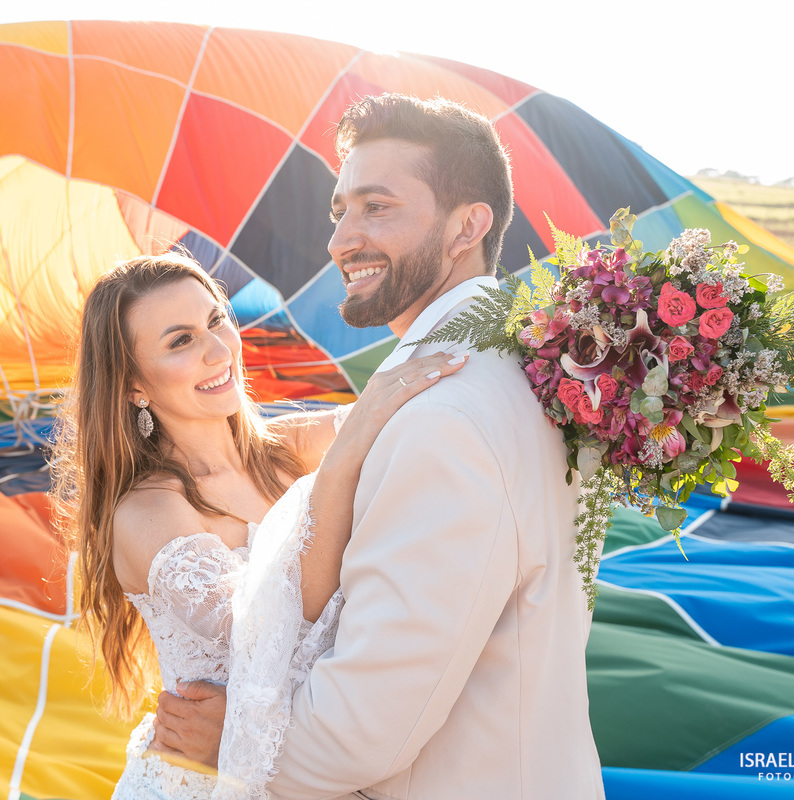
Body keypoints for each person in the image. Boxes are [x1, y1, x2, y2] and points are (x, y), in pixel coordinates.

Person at [151, 94, 606, 798]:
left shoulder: (442, 417)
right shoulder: (543, 370)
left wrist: (232, 741)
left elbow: (364, 729)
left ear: (467, 227)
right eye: (340, 211)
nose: (341, 240)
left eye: (377, 207)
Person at [50, 252, 467, 798]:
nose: (219, 350)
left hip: (316, 764)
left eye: (216, 320)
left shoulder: (291, 450)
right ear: (134, 386)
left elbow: (419, 409)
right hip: (196, 783)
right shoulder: (146, 512)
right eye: (181, 341)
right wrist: (343, 462)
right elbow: (267, 631)